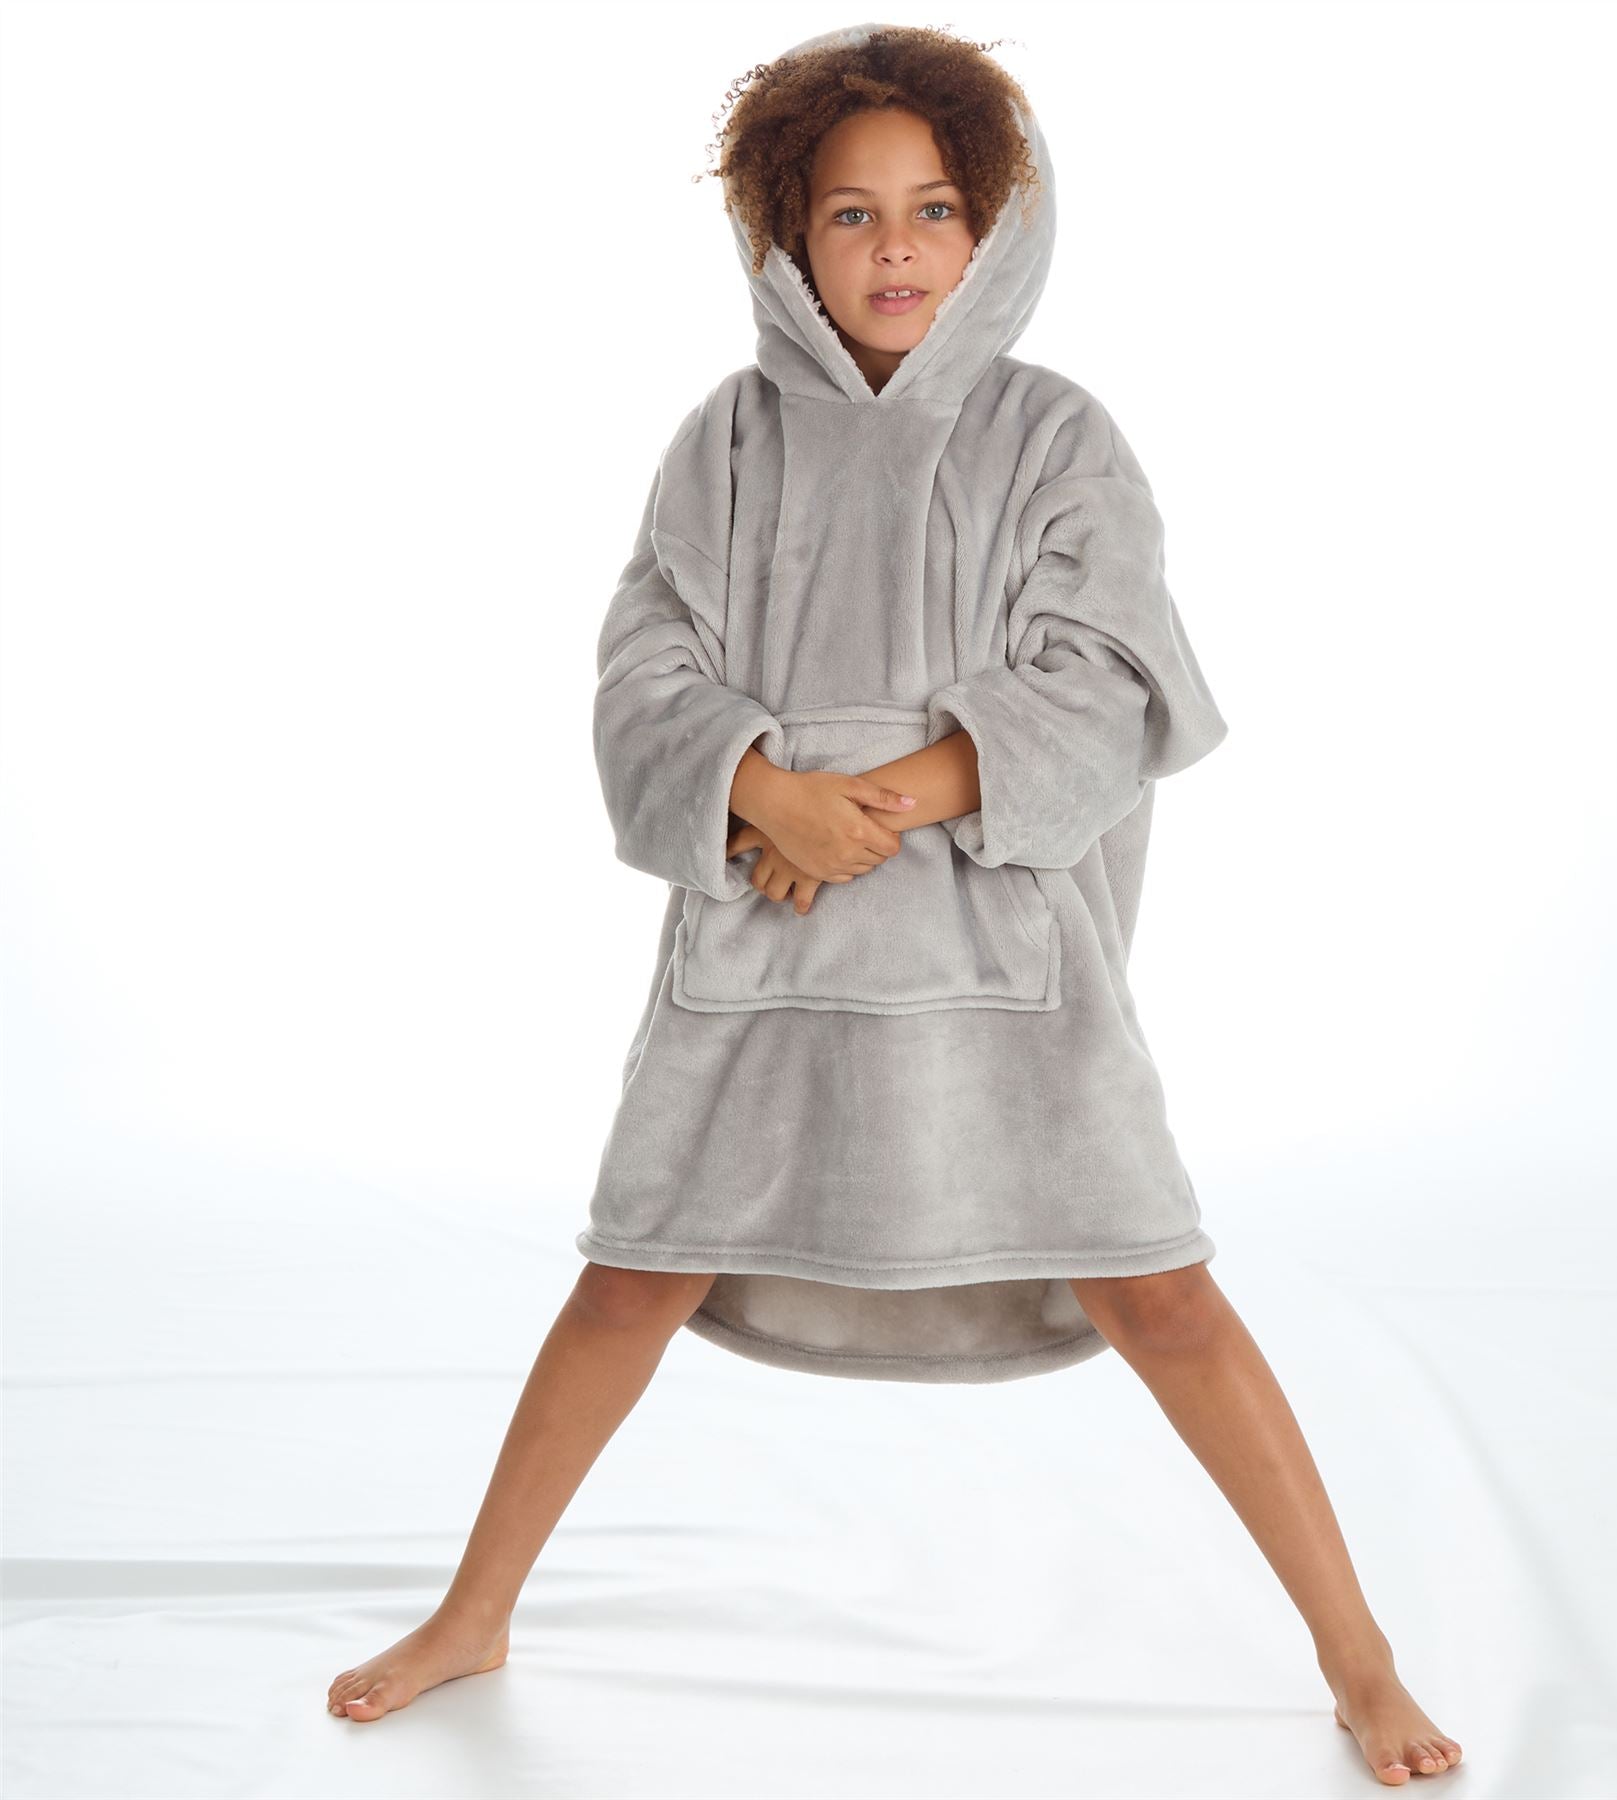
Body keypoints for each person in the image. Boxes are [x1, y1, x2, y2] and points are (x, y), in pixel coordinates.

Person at [325, 22, 1464, 1786]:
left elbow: (1111, 677)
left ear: (996, 225)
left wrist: (879, 803)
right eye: (850, 214)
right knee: (627, 1285)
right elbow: (645, 663)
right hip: (762, 954)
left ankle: (1359, 1654)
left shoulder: (1053, 433)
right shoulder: (727, 438)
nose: (896, 249)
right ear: (783, 235)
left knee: (1163, 1299)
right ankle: (474, 1612)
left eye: (935, 208)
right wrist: (756, 788)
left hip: (1006, 963)